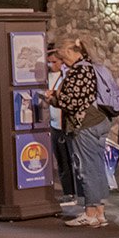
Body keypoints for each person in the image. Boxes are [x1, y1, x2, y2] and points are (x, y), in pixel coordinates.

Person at [52, 37, 112, 229]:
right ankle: (99, 212)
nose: (60, 57)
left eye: (61, 54)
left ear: (70, 52)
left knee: (86, 169)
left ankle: (89, 213)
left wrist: (53, 98)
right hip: (97, 122)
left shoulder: (80, 70)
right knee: (96, 167)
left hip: (85, 124)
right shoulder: (88, 67)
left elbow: (73, 102)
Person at [46, 48, 75, 200]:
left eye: (54, 62)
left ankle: (80, 193)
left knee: (73, 159)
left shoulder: (68, 77)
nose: (51, 65)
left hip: (66, 124)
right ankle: (68, 192)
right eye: (49, 62)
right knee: (62, 160)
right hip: (54, 124)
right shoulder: (47, 77)